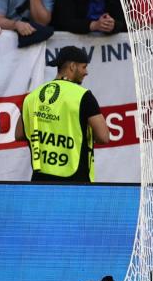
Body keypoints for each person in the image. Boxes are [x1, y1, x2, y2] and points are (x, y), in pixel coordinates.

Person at [17, 45, 113, 182]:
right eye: (84, 67)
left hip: (40, 181)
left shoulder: (33, 96)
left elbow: (20, 134)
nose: (86, 72)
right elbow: (103, 137)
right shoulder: (83, 96)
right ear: (73, 66)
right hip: (75, 181)